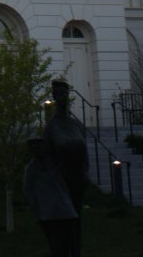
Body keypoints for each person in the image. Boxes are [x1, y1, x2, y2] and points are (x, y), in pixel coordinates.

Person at [41, 78, 89, 257]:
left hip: (78, 180)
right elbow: (46, 156)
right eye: (58, 93)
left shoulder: (77, 125)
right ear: (53, 96)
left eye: (65, 93)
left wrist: (85, 172)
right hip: (61, 182)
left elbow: (85, 152)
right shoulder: (51, 127)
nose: (63, 97)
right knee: (64, 224)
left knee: (77, 222)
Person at [23, 137, 79, 257]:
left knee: (70, 245)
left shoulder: (54, 164)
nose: (37, 149)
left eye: (40, 145)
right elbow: (28, 191)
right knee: (57, 246)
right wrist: (39, 210)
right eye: (34, 146)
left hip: (66, 212)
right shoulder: (32, 168)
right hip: (49, 215)